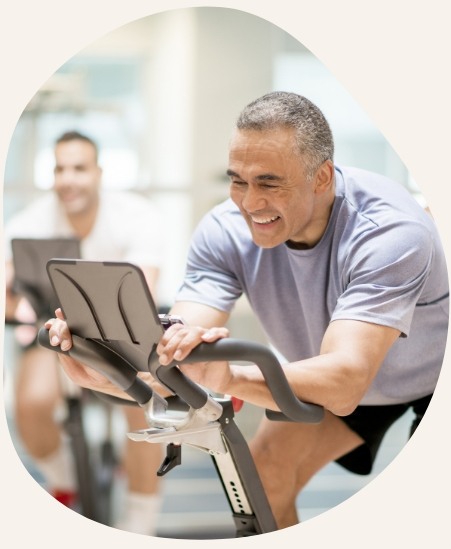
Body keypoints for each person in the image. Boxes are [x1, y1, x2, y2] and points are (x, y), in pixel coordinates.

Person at [45, 92, 449, 530]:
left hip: (426, 373)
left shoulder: (387, 231)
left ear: (322, 177)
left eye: (269, 182)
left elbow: (346, 381)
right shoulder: (224, 231)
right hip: (333, 373)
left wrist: (232, 377)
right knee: (264, 475)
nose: (249, 203)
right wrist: (110, 370)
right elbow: (178, 349)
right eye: (238, 180)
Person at [4, 131, 166, 536]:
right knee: (32, 401)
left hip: (120, 338)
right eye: (59, 169)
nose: (68, 179)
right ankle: (67, 485)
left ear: (98, 173)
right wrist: (15, 300)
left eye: (79, 168)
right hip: (56, 334)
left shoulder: (137, 215)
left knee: (145, 404)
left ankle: (140, 523)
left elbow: (143, 287)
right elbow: (8, 293)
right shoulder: (29, 222)